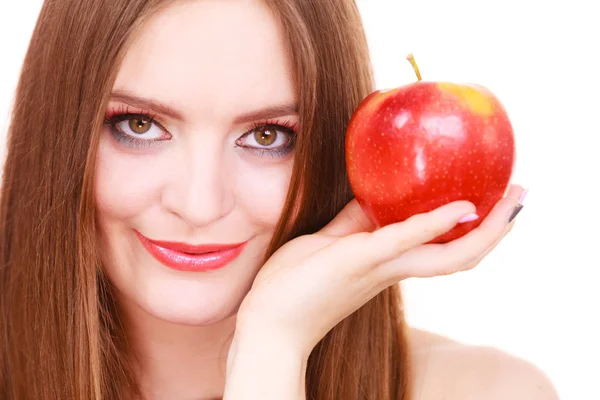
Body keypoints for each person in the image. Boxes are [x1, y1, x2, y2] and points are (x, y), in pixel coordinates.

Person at [0, 0, 558, 399]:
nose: (199, 204)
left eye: (267, 136)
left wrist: (272, 351)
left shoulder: (485, 392)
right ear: (60, 135)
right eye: (140, 125)